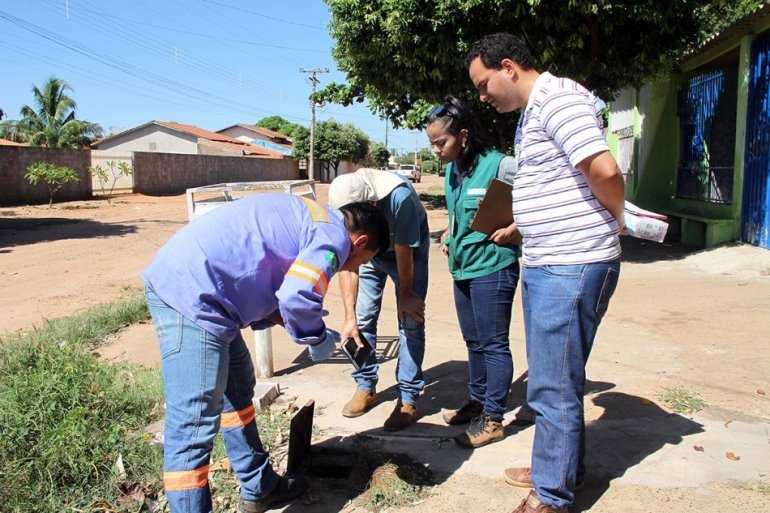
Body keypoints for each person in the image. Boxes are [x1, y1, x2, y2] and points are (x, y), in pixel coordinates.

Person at [141, 193, 389, 513]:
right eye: (364, 260)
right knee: (192, 429)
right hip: (192, 296)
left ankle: (259, 486)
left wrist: (288, 319)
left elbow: (269, 272)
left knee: (238, 391)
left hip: (209, 294)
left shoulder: (316, 218)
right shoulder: (335, 239)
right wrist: (313, 337)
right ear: (360, 242)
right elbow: (298, 295)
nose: (356, 266)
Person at [467, 33, 624, 513]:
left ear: (508, 67)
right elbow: (558, 179)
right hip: (548, 258)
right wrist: (524, 223)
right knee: (559, 379)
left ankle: (550, 496)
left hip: (571, 261)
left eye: (482, 84)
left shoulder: (557, 100)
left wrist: (616, 220)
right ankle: (561, 472)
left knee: (551, 386)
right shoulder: (535, 111)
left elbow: (603, 169)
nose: (482, 95)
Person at [425, 95, 521, 448]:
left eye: (441, 142)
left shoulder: (500, 165)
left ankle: (493, 418)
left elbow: (534, 201)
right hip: (463, 268)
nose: (436, 149)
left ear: (463, 135)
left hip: (494, 268)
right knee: (473, 341)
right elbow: (457, 212)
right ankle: (478, 402)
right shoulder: (453, 169)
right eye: (432, 143)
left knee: (494, 343)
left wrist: (516, 229)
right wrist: (451, 232)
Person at [328, 168, 430, 431]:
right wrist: (349, 316)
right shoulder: (341, 203)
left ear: (371, 204)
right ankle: (365, 385)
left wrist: (406, 295)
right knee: (362, 318)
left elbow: (404, 250)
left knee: (410, 319)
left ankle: (408, 398)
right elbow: (347, 262)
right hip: (371, 254)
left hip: (406, 252)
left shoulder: (399, 198)